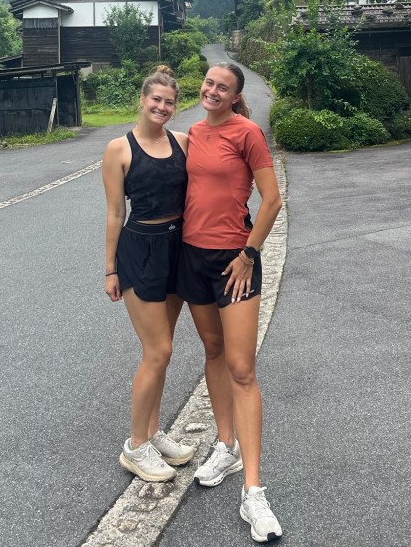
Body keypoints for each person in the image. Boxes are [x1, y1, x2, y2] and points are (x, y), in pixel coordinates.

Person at [178, 62, 283, 542]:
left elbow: (271, 200)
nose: (213, 90)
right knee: (213, 351)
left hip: (234, 260)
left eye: (223, 87)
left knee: (242, 368)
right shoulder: (194, 134)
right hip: (192, 257)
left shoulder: (247, 133)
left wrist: (248, 254)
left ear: (237, 95)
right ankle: (226, 446)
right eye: (209, 82)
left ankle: (254, 492)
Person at [103, 66, 195, 482]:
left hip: (177, 248)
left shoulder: (182, 142)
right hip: (140, 251)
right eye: (155, 99)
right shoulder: (118, 149)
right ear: (142, 100)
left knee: (165, 350)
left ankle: (153, 432)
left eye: (169, 102)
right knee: (157, 351)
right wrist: (110, 269)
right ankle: (136, 445)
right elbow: (114, 213)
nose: (162, 107)